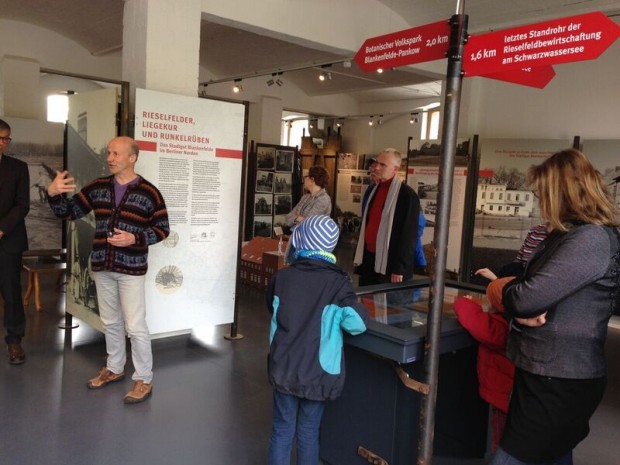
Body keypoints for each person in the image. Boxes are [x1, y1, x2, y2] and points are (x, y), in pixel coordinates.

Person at [491, 148, 620, 465]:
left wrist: (504, 289)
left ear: (563, 192)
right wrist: (519, 301)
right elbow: (524, 285)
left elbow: (524, 297)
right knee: (553, 456)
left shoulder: (590, 239)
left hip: (559, 380)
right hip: (546, 373)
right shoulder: (569, 235)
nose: (539, 201)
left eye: (542, 193)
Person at [47, 136, 170, 404]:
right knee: (111, 322)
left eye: (116, 153)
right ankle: (114, 368)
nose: (110, 158)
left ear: (132, 157)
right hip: (102, 265)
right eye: (109, 153)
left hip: (131, 268)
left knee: (136, 326)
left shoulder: (150, 192)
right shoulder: (98, 187)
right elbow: (68, 212)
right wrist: (53, 194)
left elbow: (162, 229)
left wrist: (134, 238)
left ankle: (144, 378)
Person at [267, 215, 369, 465]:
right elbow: (356, 323)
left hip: (284, 366)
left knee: (281, 430)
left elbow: (273, 308)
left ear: (302, 241)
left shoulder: (282, 278)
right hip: (318, 371)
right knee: (309, 433)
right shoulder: (338, 283)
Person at [453, 276, 516, 454]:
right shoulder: (516, 323)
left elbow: (472, 317)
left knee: (499, 439)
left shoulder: (499, 328)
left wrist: (462, 301)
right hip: (511, 396)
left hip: (503, 399)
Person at [354, 148, 420, 285]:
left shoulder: (407, 196)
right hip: (369, 258)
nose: (377, 167)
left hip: (389, 263)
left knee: (385, 305)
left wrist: (399, 268)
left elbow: (409, 236)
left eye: (383, 165)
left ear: (395, 169)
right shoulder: (374, 189)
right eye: (377, 163)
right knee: (366, 301)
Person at [0, 119, 30, 365]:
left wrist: (2, 229)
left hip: (8, 240)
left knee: (11, 292)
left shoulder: (18, 168)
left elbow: (23, 204)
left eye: (6, 139)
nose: (3, 144)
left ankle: (14, 342)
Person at [476, 223, 549, 281]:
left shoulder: (559, 239)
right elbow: (518, 263)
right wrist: (498, 281)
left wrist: (496, 281)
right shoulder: (535, 231)